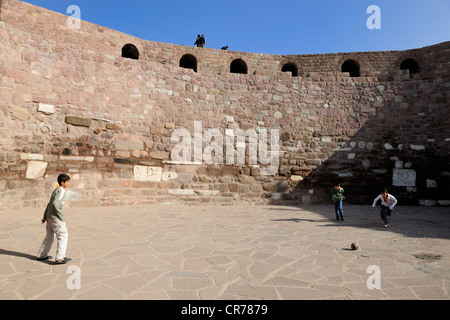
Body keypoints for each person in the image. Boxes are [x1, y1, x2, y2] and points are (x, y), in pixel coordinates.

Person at [36, 174, 72, 264]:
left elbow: (49, 204)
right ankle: (60, 258)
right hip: (56, 218)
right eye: (67, 182)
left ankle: (42, 255)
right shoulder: (61, 190)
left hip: (50, 217)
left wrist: (45, 216)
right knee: (63, 236)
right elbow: (55, 203)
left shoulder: (56, 190)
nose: (68, 184)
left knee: (49, 237)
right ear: (62, 182)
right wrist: (61, 216)